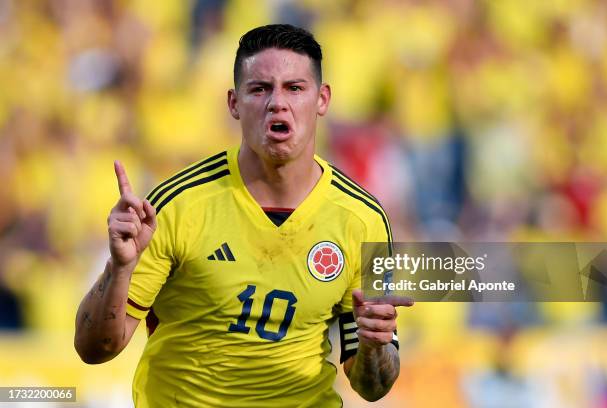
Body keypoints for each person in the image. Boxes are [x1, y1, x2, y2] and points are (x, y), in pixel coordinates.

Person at [74, 24, 412, 407]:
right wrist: (118, 270)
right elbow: (94, 349)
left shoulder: (362, 218)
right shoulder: (176, 205)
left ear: (322, 99)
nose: (277, 103)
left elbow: (372, 386)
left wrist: (373, 346)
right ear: (234, 103)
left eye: (294, 88)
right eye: (260, 89)